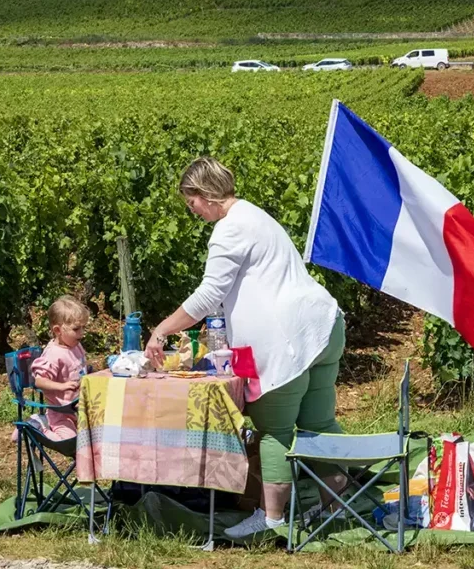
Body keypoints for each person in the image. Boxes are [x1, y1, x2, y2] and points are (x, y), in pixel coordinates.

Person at [144, 156, 346, 539]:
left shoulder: (229, 229)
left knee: (274, 430)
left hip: (286, 341)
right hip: (323, 326)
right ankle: (335, 506)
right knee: (319, 423)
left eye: (192, 203)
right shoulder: (256, 215)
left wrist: (162, 329)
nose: (193, 212)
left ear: (205, 194)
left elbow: (210, 294)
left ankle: (270, 520)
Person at [20, 295, 89, 441]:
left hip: (81, 408)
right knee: (71, 442)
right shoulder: (54, 354)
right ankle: (37, 426)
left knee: (96, 437)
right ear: (58, 330)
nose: (81, 334)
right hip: (60, 413)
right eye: (76, 329)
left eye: (83, 327)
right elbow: (39, 381)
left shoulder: (75, 345)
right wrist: (61, 386)